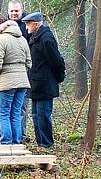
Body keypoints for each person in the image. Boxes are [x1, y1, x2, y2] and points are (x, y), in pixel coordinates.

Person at [21, 12, 65, 148]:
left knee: (43, 115)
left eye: (28, 24)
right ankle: (41, 142)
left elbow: (57, 61)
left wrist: (59, 77)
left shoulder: (46, 38)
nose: (26, 27)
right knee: (35, 115)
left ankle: (46, 143)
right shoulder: (35, 37)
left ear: (35, 24)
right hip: (36, 83)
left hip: (45, 83)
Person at [0, 18, 31, 145]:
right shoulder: (23, 40)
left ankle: (6, 143)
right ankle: (16, 142)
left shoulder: (0, 40)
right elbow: (29, 62)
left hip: (6, 82)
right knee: (16, 113)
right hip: (23, 82)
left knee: (4, 113)